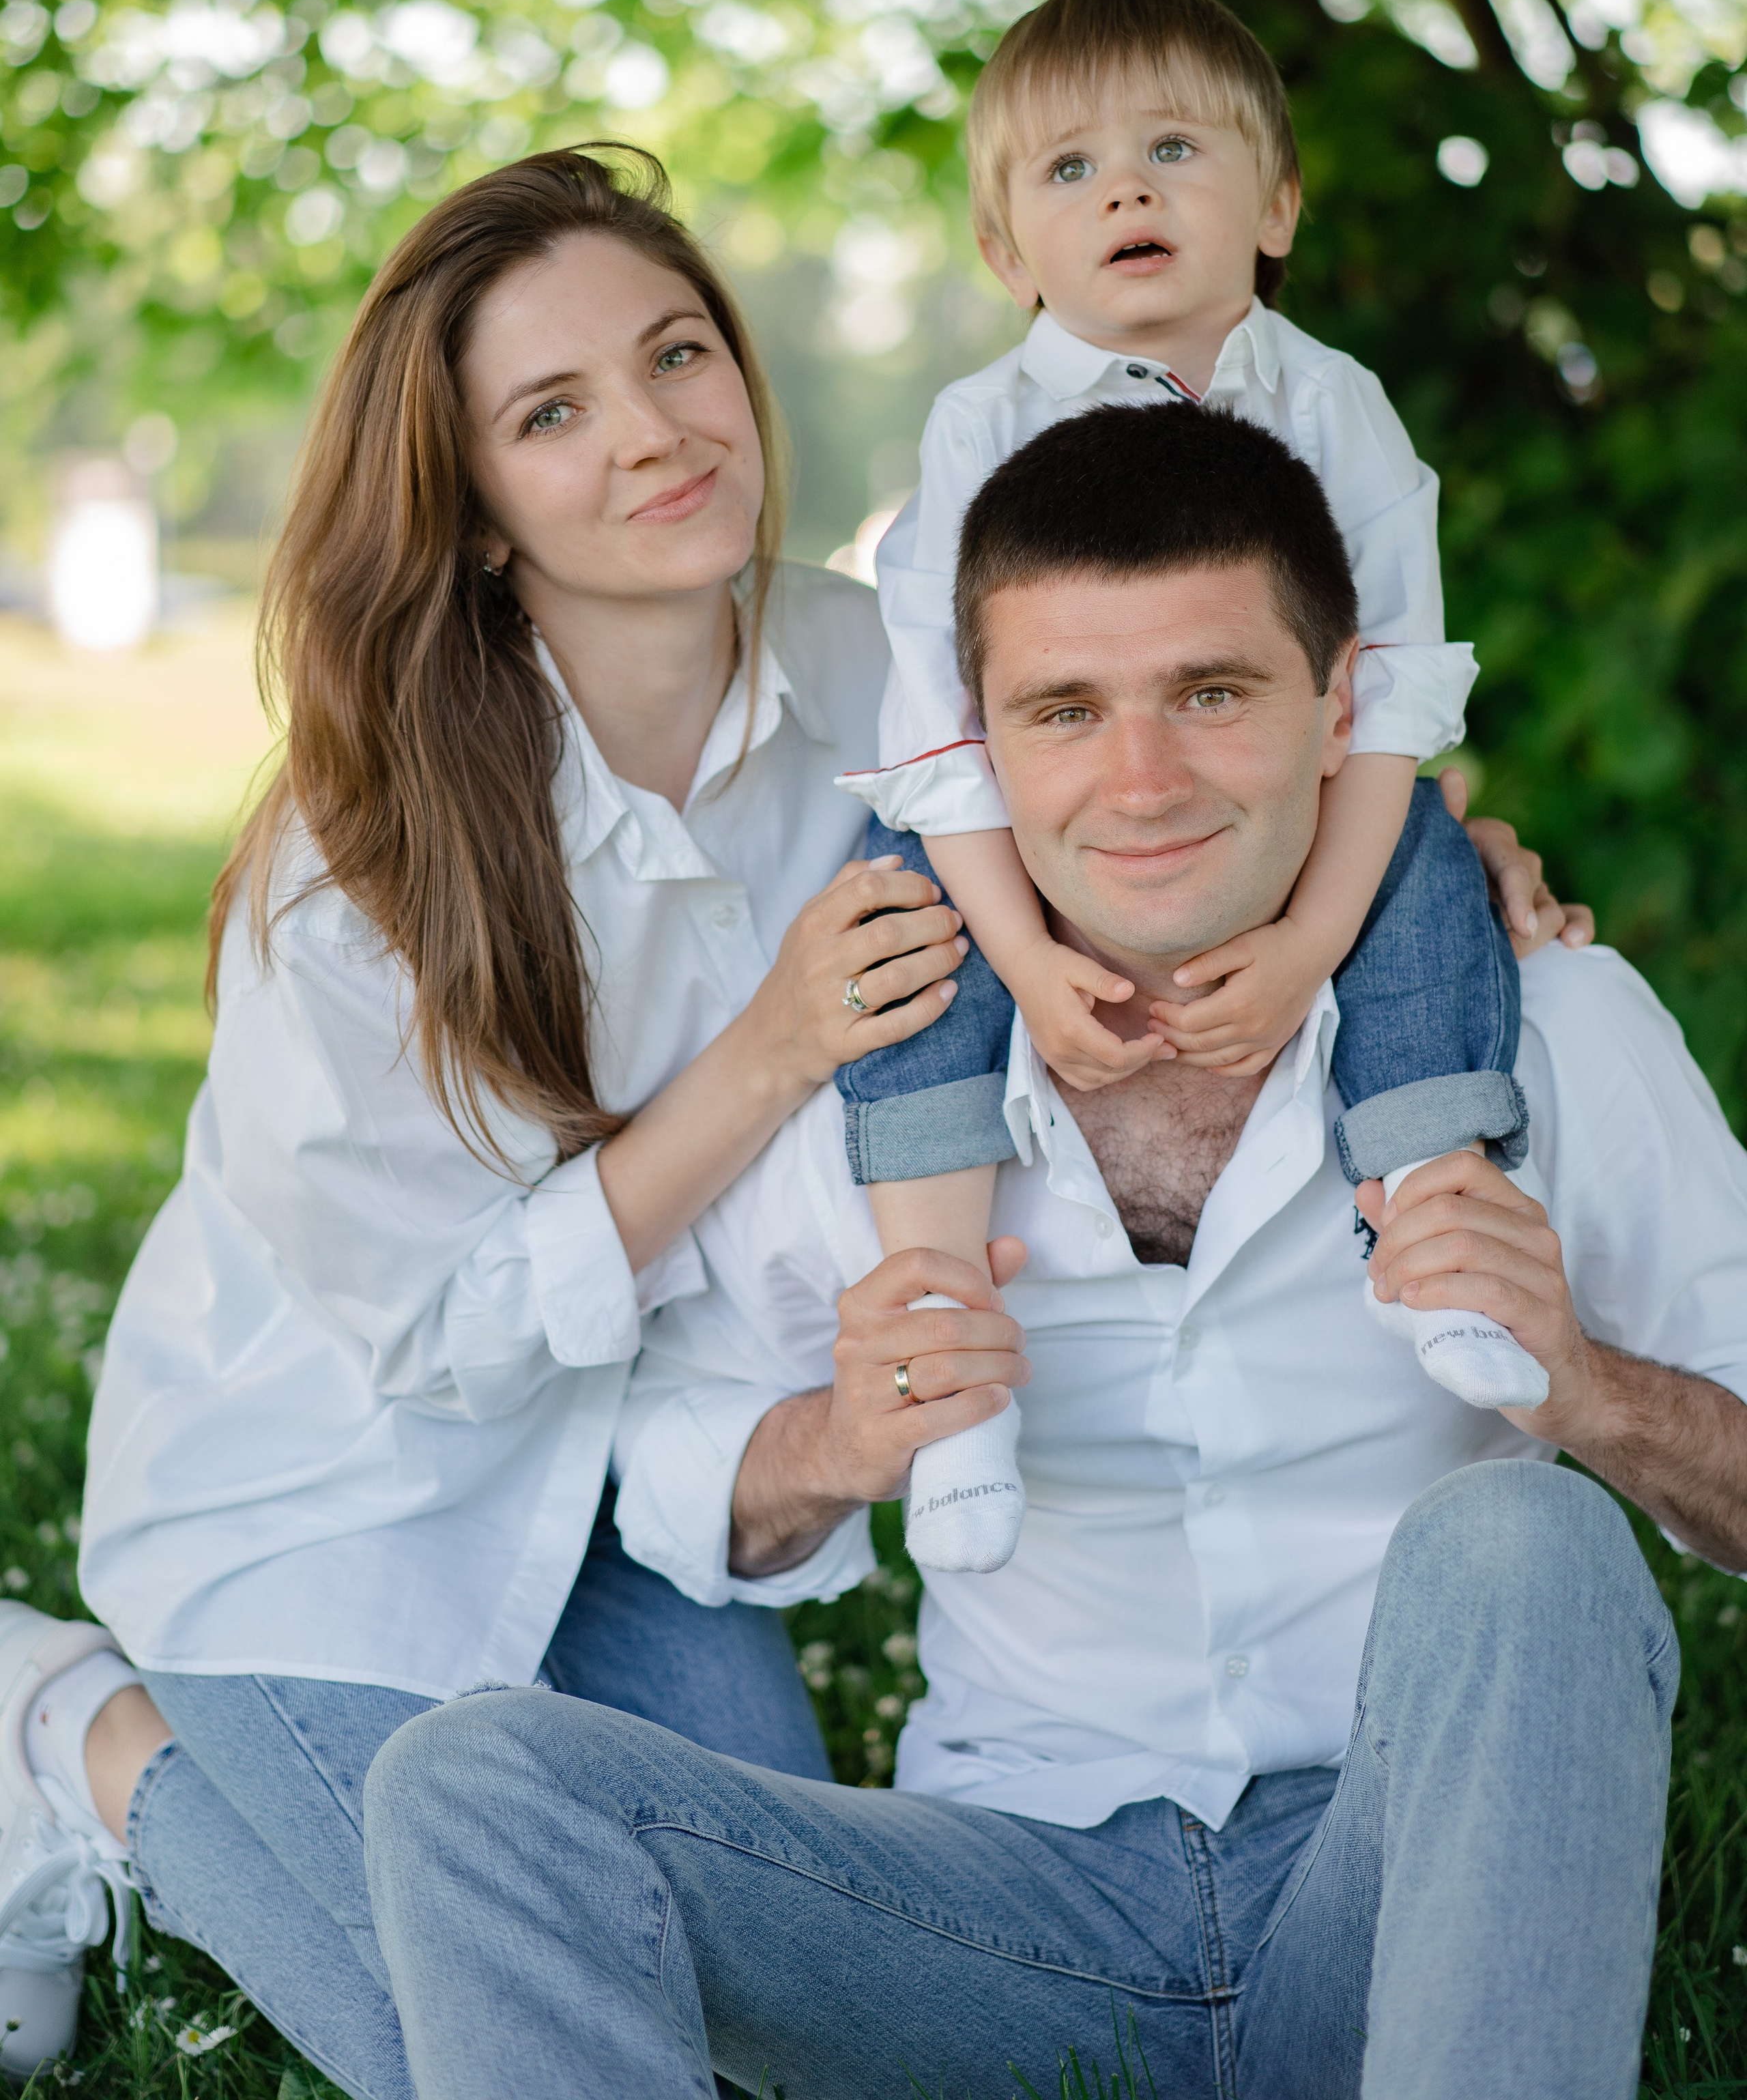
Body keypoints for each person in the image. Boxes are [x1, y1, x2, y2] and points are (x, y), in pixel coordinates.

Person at [362, 401, 1747, 2100]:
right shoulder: (875, 1071)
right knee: (470, 1788)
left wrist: (1587, 1389)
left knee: (1526, 1538)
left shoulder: (1541, 1032)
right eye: (1063, 712)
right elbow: (674, 1466)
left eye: (1213, 694)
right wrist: (836, 1441)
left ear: (1338, 711)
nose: (1141, 781)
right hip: (1011, 1919)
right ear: (973, 753)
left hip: (1401, 1888)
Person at [0, 148, 968, 2095]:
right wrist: (768, 1052)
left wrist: (1432, 881)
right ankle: (68, 1736)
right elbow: (444, 1344)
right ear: (473, 511)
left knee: (792, 2026)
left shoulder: (883, 673)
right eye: (554, 411)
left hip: (639, 1477)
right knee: (482, 2042)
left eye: (676, 353)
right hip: (330, 1492)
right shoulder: (350, 864)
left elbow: (1149, 830)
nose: (656, 432)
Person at [833, 0, 1589, 1572]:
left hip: (1300, 809)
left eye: (1173, 148)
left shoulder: (1335, 408)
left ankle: (1434, 1205)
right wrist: (1029, 962)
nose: (1123, 189)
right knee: (896, 909)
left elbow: (1384, 702)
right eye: (1066, 170)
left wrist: (1310, 941)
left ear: (1276, 205)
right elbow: (940, 738)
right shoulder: (978, 432)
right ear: (1001, 247)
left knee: (1427, 868)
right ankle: (943, 1321)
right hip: (1007, 836)